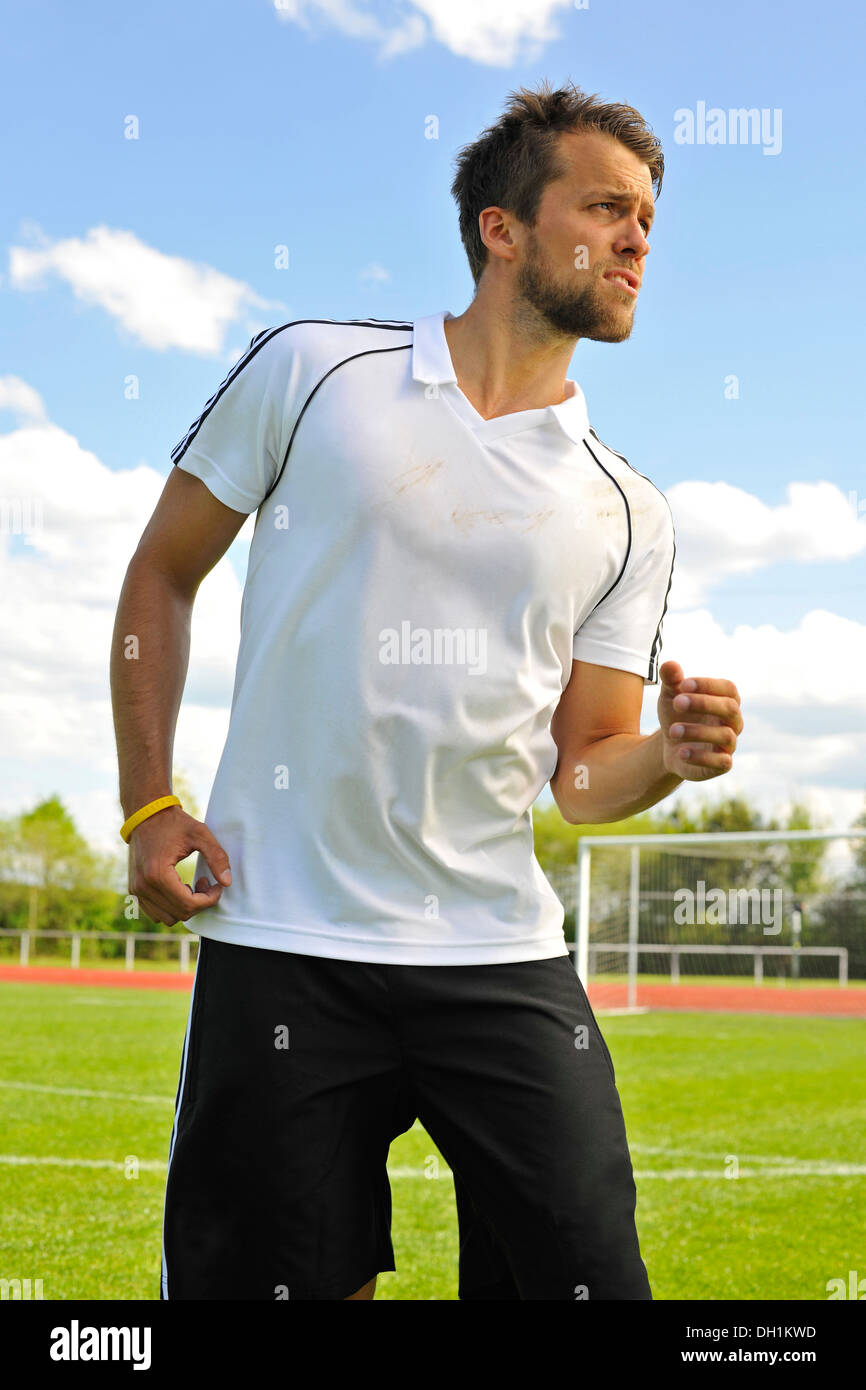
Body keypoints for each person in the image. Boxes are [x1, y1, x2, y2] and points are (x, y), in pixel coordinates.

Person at [110, 79, 744, 1301]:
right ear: (500, 229)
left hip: (497, 957)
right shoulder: (311, 372)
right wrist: (148, 803)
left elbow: (580, 775)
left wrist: (661, 753)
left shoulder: (628, 509)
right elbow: (161, 573)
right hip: (280, 940)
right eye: (605, 207)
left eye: (648, 220)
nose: (636, 240)